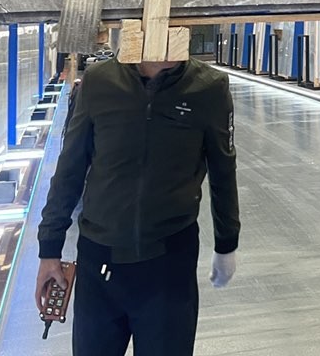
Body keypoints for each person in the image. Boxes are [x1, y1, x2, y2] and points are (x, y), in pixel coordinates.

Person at [35, 55, 240, 356]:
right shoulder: (100, 81)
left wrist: (226, 243)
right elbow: (70, 167)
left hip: (168, 267)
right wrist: (49, 247)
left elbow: (223, 169)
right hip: (99, 265)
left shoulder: (208, 87)